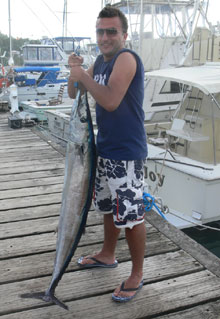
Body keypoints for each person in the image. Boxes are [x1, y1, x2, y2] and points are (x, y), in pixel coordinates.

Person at [68, 5, 148, 303]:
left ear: (123, 35)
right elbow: (76, 91)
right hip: (105, 150)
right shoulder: (100, 63)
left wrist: (81, 75)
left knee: (131, 216)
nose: (104, 37)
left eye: (111, 31)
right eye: (100, 31)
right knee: (106, 207)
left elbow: (112, 100)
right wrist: (73, 71)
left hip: (127, 153)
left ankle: (137, 273)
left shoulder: (126, 59)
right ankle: (108, 254)